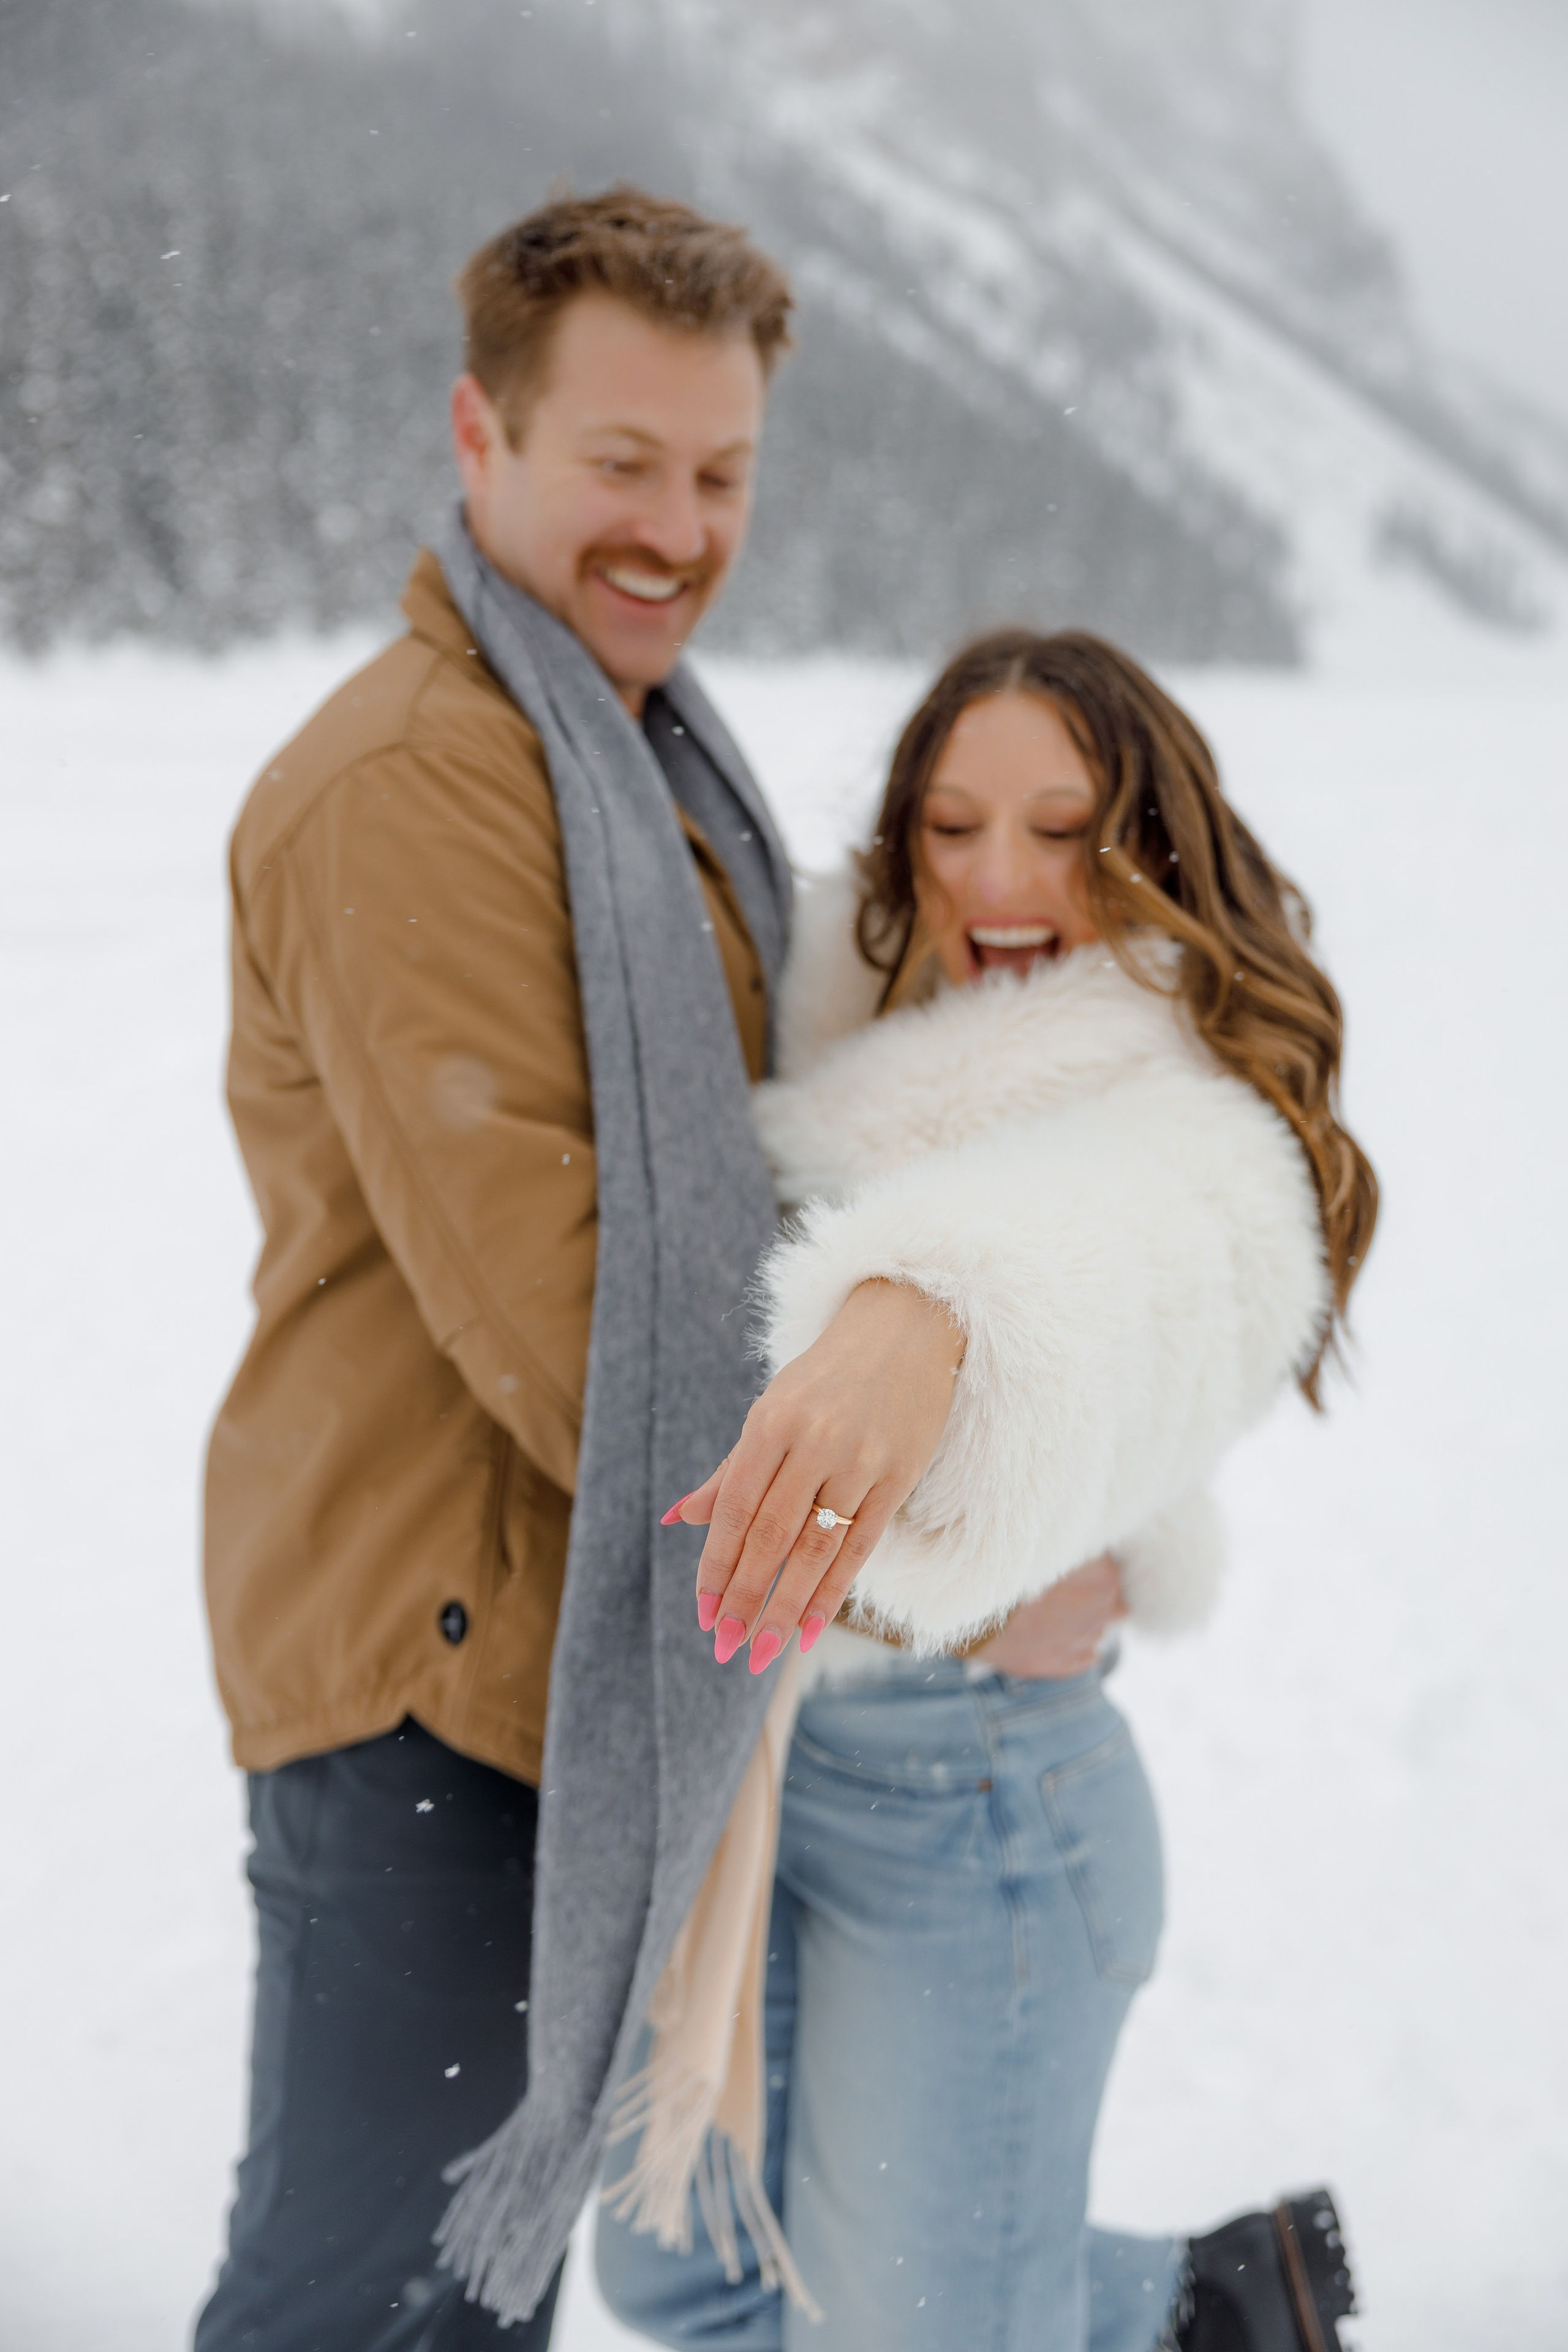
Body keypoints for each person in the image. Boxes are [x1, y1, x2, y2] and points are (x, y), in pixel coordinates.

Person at [196, 186, 836, 2350]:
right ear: (481, 440)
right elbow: (584, 1323)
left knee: (459, 2307)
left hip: (571, 1665)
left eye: (722, 474)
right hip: (440, 1684)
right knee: (369, 2312)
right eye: (622, 465)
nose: (677, 528)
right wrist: (925, 1516)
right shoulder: (417, 790)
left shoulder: (631, 766)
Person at [595, 633, 1375, 2350]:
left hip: (979, 1807)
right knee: (690, 2268)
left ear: (1157, 846)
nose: (1000, 882)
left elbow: (1149, 1248)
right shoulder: (870, 1016)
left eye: (1062, 828)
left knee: (906, 2326)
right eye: (950, 829)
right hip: (772, 1764)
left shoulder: (1171, 1097)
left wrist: (936, 1311)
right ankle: (1208, 2308)